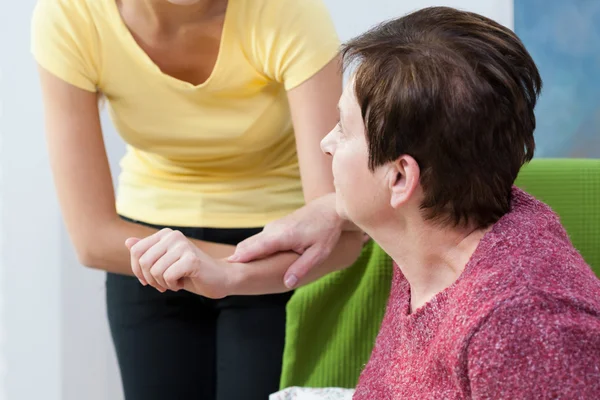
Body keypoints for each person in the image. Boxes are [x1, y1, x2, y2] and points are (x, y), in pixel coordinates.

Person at [30, 0, 364, 399]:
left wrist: (233, 273)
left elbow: (338, 224)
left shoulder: (284, 10)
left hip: (277, 252)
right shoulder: (72, 14)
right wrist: (214, 267)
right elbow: (92, 238)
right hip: (147, 255)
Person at [317, 6, 599, 399]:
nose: (325, 144)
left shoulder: (523, 327)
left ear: (400, 178)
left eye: (343, 130)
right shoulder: (434, 231)